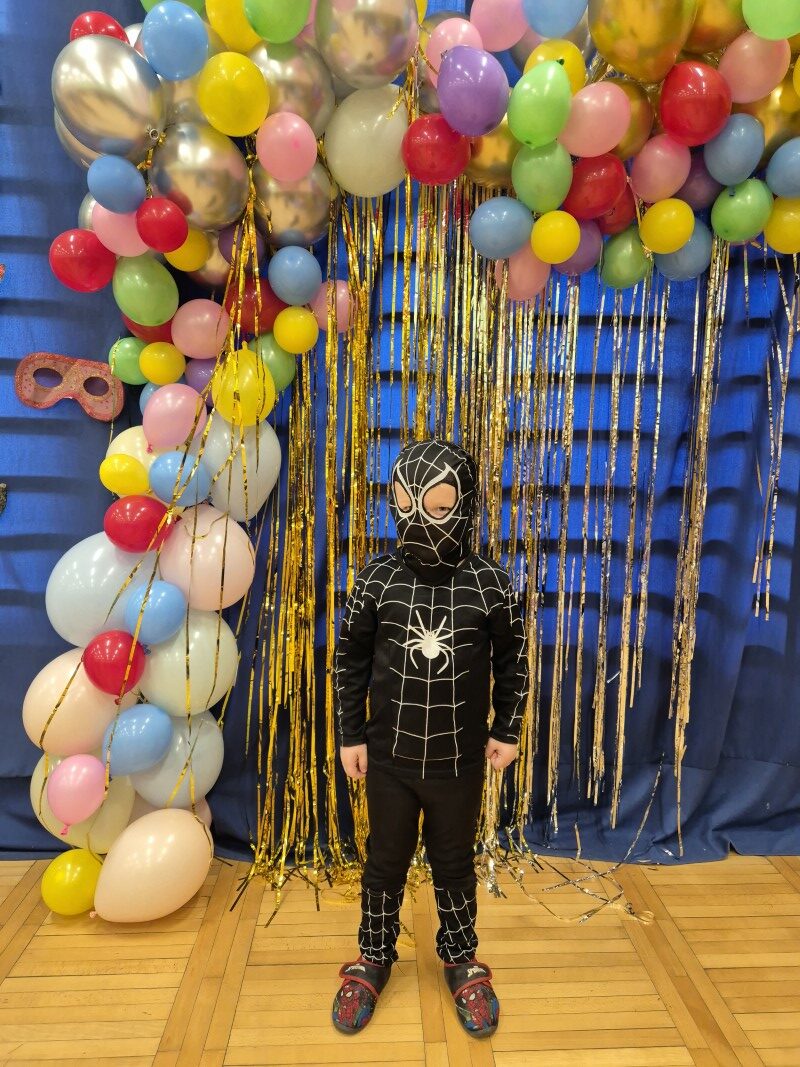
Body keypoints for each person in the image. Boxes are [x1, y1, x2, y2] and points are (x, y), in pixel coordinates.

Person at [331, 439, 529, 1038]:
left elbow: (513, 664)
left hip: (459, 759)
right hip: (388, 756)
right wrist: (349, 733)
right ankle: (372, 955)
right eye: (406, 505)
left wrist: (507, 728)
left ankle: (461, 957)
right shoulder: (376, 579)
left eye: (439, 507)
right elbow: (349, 660)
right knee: (384, 861)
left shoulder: (491, 584)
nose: (421, 520)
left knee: (454, 863)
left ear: (465, 506)